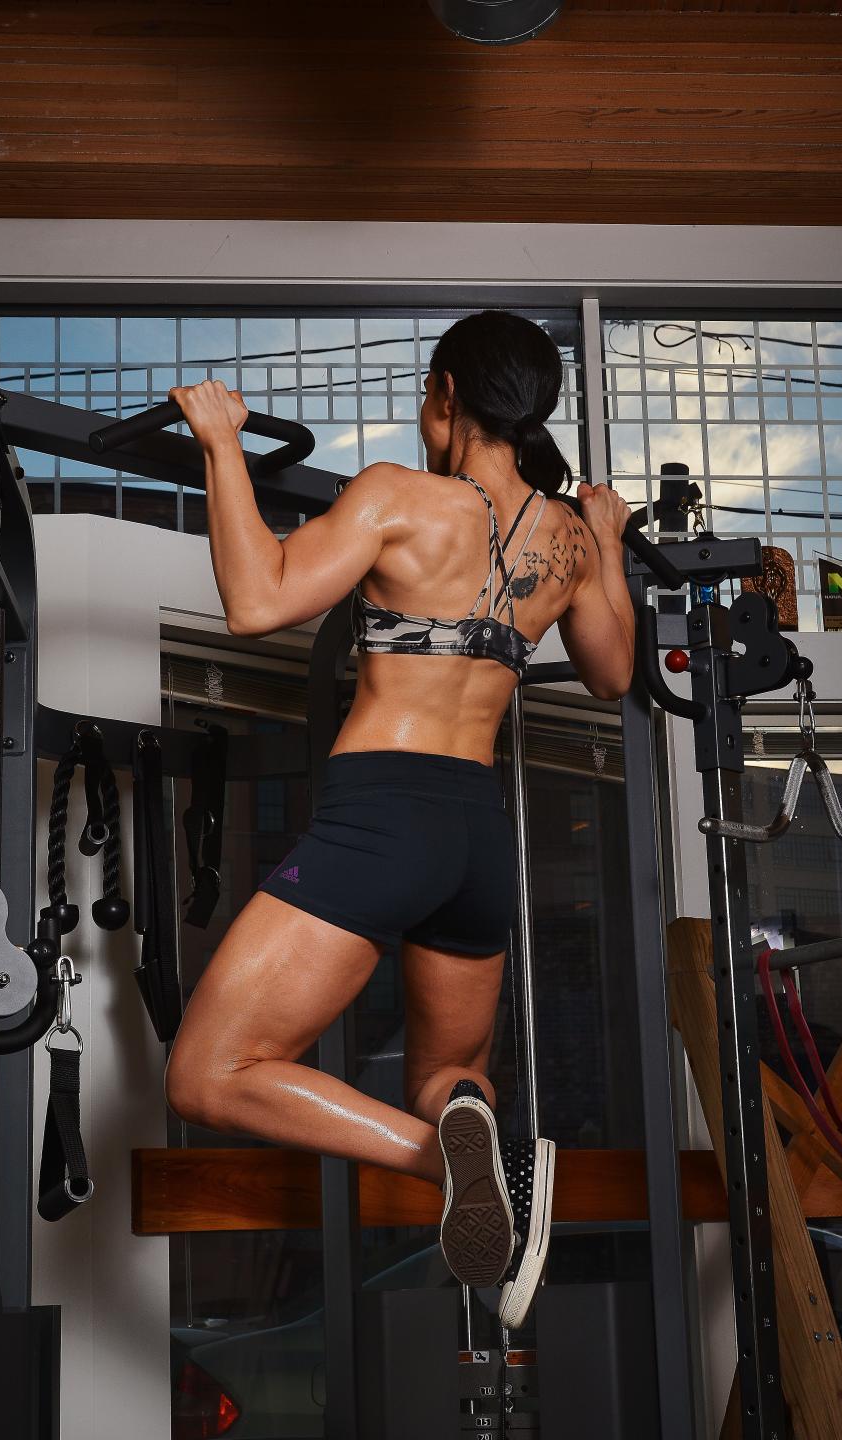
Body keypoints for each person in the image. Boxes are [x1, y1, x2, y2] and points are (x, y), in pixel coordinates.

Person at [163, 310, 635, 1330]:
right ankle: (466, 1136)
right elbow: (614, 675)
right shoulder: (567, 539)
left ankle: (451, 1163)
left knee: (209, 1072)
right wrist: (610, 539)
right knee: (449, 1075)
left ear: (451, 393)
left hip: (381, 811)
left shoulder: (396, 497)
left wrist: (219, 446)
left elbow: (257, 600)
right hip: (475, 833)